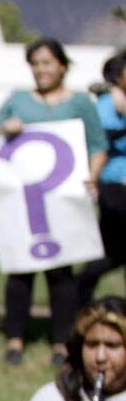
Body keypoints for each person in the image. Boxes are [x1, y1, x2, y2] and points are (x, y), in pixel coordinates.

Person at [0, 38, 108, 368]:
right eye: (35, 63)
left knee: (61, 274)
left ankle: (60, 341)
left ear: (62, 66)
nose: (41, 69)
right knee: (20, 272)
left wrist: (92, 176)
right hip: (23, 203)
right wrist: (3, 129)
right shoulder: (18, 99)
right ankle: (14, 338)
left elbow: (98, 145)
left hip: (63, 200)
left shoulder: (81, 102)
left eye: (47, 62)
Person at [76, 53, 126, 308]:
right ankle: (79, 299)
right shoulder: (106, 104)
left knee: (109, 252)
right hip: (113, 186)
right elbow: (99, 139)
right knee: (109, 254)